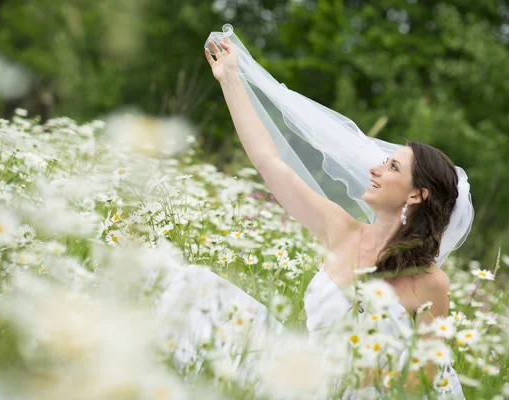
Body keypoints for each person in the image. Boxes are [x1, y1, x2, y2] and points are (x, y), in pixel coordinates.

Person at [159, 25, 472, 398]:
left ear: (417, 195)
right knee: (195, 289)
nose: (375, 169)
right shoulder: (340, 229)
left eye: (392, 168)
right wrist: (230, 79)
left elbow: (421, 381)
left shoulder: (431, 283)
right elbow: (269, 162)